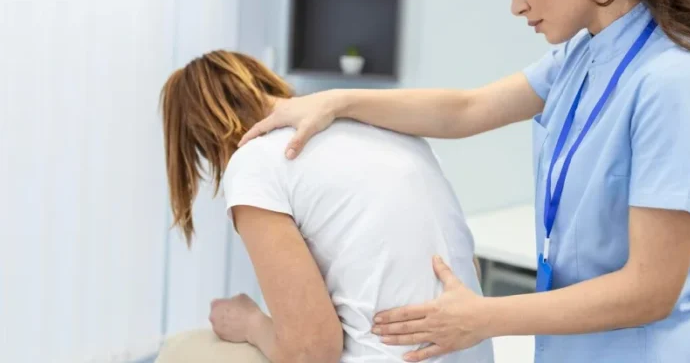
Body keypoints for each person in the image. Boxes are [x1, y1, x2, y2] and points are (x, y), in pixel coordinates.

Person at [238, 0, 690, 362]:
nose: (516, 5)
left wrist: (481, 317)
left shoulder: (676, 82)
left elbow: (650, 289)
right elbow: (466, 110)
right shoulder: (581, 58)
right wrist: (336, 102)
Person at [156, 50, 494, 363]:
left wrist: (249, 323)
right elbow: (469, 267)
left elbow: (312, 350)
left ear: (204, 137)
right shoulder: (385, 123)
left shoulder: (254, 160)